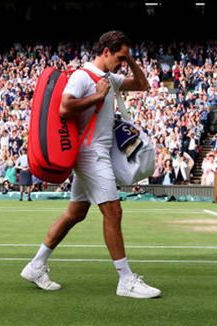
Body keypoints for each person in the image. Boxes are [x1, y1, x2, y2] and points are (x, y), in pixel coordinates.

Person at [21, 31, 161, 299]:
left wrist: (130, 60)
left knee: (76, 213)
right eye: (119, 56)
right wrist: (97, 97)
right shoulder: (83, 76)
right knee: (113, 212)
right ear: (105, 52)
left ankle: (36, 265)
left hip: (99, 152)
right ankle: (126, 280)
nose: (121, 62)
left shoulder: (109, 77)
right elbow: (65, 107)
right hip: (90, 154)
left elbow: (142, 85)